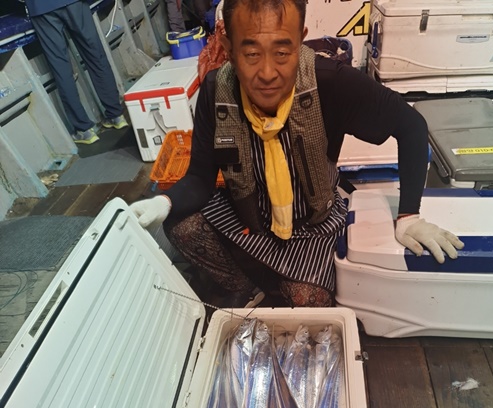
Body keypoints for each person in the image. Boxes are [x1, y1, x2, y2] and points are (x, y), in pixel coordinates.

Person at [131, 0, 464, 308]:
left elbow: (411, 125)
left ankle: (279, 275)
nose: (267, 73)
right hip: (247, 216)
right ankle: (243, 286)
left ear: (300, 39)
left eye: (282, 52)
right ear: (229, 47)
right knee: (181, 225)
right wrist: (164, 202)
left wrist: (408, 217)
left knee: (309, 299)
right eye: (251, 53)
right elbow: (200, 178)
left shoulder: (329, 81)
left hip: (312, 224)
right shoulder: (216, 90)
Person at [25, 0, 128, 144]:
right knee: (95, 56)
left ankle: (84, 130)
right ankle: (115, 115)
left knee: (60, 67)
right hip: (75, 2)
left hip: (41, 7)